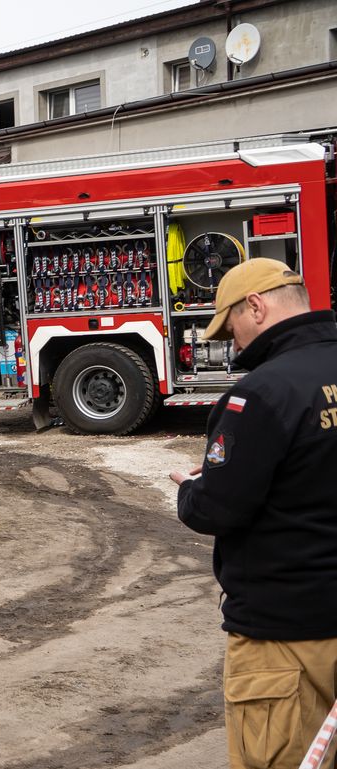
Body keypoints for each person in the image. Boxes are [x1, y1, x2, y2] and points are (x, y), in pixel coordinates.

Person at [170, 258, 337, 769]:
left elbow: (220, 507)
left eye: (232, 327)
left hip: (285, 634)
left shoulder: (260, 393)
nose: (236, 343)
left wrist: (191, 491)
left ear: (257, 307)